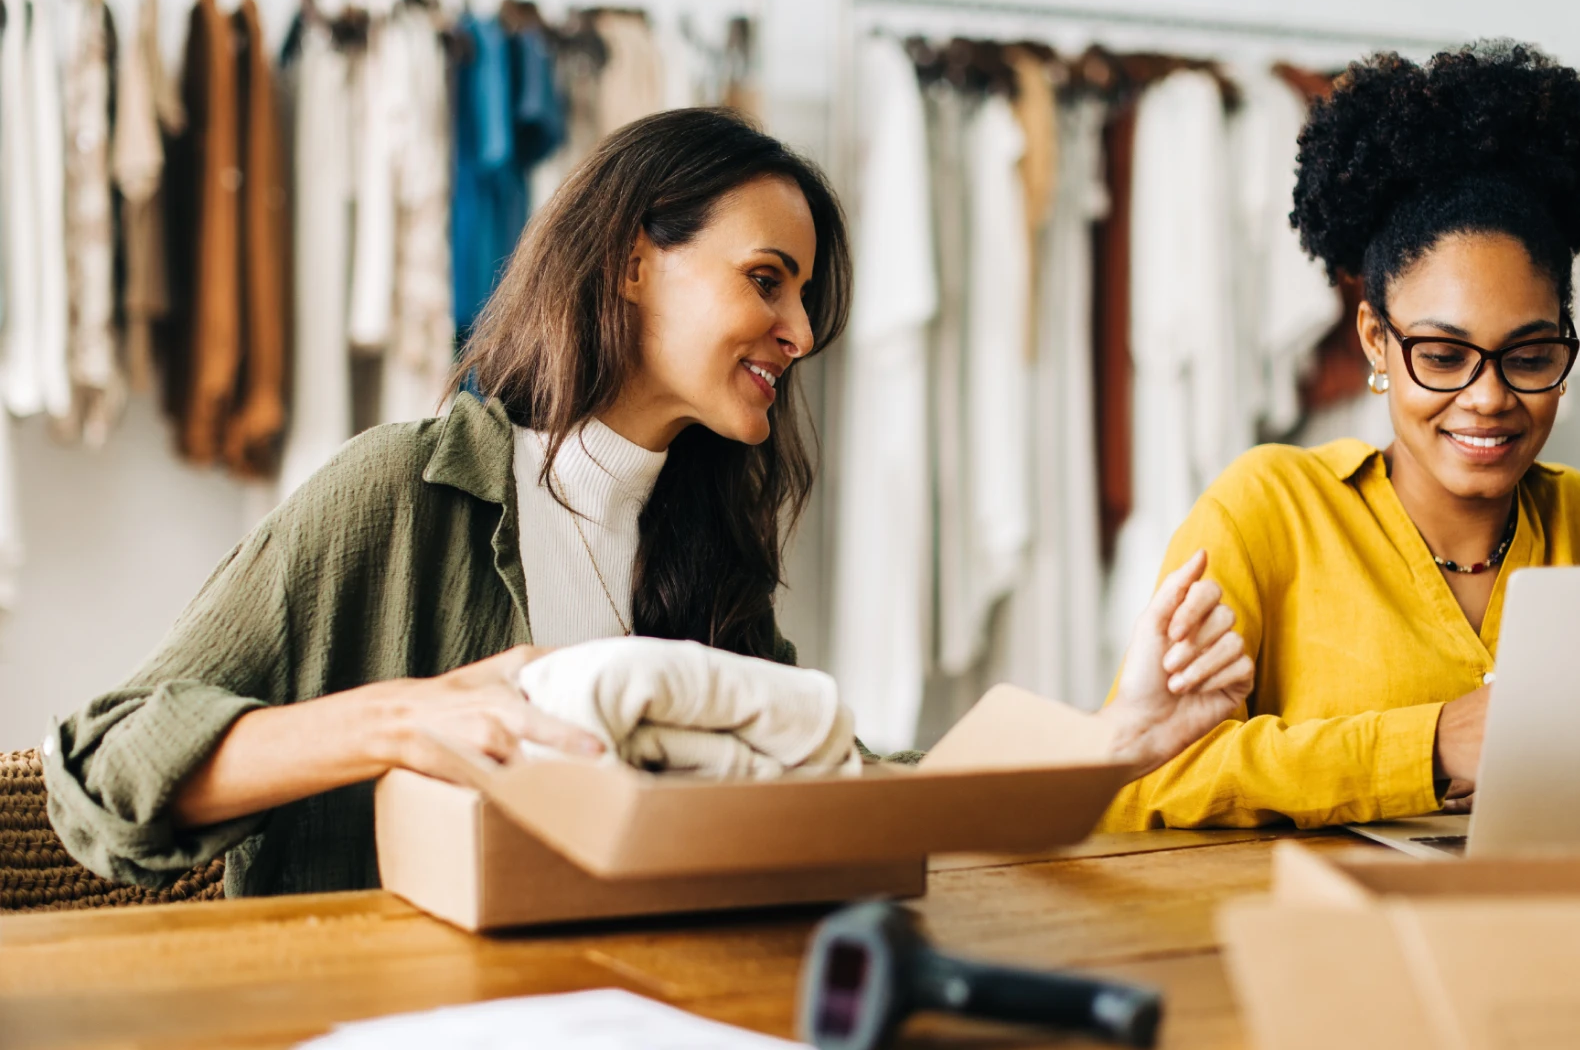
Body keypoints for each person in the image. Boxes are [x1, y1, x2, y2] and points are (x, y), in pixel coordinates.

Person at [44, 109, 1249, 898]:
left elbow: (842, 788)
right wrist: (395, 722)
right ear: (630, 260)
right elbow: (94, 773)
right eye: (766, 281)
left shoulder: (701, 549)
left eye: (808, 299)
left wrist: (1110, 741)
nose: (801, 332)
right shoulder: (402, 495)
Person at [1100, 42, 1580, 833]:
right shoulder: (1268, 514)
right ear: (1377, 341)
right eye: (1443, 356)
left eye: (1530, 355)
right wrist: (1433, 745)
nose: (1488, 398)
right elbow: (1135, 782)